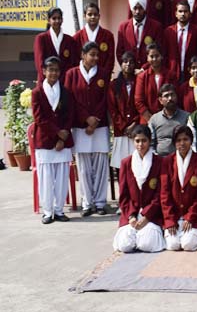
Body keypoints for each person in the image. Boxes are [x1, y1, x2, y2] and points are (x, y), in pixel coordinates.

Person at [64, 42, 111, 216]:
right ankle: (87, 202)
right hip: (80, 126)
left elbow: (105, 99)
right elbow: (71, 100)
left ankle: (100, 202)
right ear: (83, 55)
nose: (95, 58)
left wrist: (95, 120)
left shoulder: (104, 74)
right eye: (92, 54)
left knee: (100, 165)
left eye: (97, 55)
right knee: (83, 167)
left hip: (99, 126)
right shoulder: (72, 74)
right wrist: (86, 119)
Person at [32, 56, 74, 224]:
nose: (54, 73)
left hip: (63, 141)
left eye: (56, 70)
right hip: (45, 140)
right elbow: (39, 118)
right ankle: (48, 211)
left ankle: (59, 210)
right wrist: (57, 134)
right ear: (44, 71)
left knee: (62, 177)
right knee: (46, 178)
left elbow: (69, 115)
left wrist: (63, 137)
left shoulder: (66, 92)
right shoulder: (37, 93)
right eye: (50, 69)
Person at [112, 125, 165, 253]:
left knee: (147, 244)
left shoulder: (159, 162)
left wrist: (146, 217)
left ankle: (142, 236)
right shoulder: (126, 163)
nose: (141, 144)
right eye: (137, 141)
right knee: (125, 245)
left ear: (150, 140)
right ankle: (135, 234)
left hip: (151, 215)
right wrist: (131, 216)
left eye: (144, 140)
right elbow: (124, 195)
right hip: (132, 214)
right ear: (133, 141)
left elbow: (160, 194)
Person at [160, 126, 197, 251]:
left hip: (193, 216)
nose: (182, 143)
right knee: (173, 245)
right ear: (174, 143)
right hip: (174, 215)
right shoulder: (167, 161)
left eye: (185, 139)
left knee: (188, 245)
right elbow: (164, 194)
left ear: (191, 141)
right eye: (178, 140)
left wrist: (191, 216)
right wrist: (169, 220)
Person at [108, 52, 139, 173]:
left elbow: (141, 104)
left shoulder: (139, 82)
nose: (128, 64)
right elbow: (112, 109)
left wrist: (134, 125)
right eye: (125, 61)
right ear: (121, 64)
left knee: (136, 166)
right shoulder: (114, 84)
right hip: (121, 131)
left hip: (136, 130)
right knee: (122, 167)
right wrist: (124, 126)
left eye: (131, 62)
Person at [118, 0, 165, 70]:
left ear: (145, 8)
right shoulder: (123, 27)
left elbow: (159, 50)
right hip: (129, 71)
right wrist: (128, 68)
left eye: (140, 8)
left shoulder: (156, 26)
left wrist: (143, 69)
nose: (137, 11)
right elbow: (120, 52)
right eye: (135, 8)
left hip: (149, 70)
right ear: (131, 9)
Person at [34, 7, 79, 83]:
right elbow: (39, 63)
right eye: (54, 18)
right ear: (48, 20)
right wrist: (49, 78)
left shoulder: (70, 40)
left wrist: (66, 79)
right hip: (46, 81)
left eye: (59, 18)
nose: (57, 21)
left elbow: (73, 63)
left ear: (62, 20)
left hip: (65, 81)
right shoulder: (41, 38)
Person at [135, 43, 176, 124]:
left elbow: (174, 97)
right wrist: (151, 120)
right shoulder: (142, 77)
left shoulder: (171, 75)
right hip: (147, 120)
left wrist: (164, 119)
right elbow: (138, 102)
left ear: (161, 56)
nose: (154, 59)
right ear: (147, 58)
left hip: (168, 119)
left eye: (157, 56)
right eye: (151, 56)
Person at [73, 3, 116, 75]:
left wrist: (104, 75)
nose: (93, 17)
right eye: (89, 14)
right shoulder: (77, 37)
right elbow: (75, 59)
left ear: (99, 16)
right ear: (84, 16)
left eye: (95, 14)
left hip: (102, 78)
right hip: (82, 76)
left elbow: (110, 59)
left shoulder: (108, 36)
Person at [164, 0, 197, 81]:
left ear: (190, 13)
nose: (183, 14)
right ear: (176, 14)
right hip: (172, 72)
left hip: (190, 73)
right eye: (180, 11)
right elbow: (165, 53)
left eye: (185, 11)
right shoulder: (168, 31)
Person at [149, 84, 189, 157]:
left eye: (172, 95)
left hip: (180, 158)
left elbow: (191, 141)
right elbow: (151, 143)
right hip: (160, 160)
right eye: (166, 96)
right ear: (160, 100)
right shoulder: (154, 119)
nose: (170, 98)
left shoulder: (186, 117)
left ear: (176, 97)